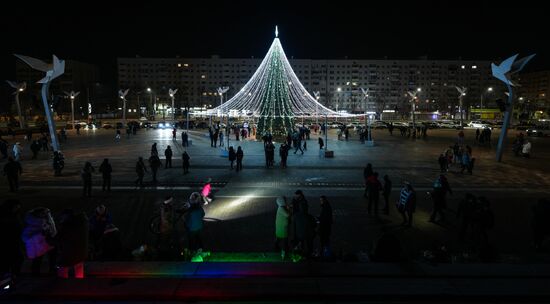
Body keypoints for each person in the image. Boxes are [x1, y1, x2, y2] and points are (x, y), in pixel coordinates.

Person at [21, 207, 57, 276]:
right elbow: (25, 237)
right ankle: (35, 275)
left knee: (52, 259)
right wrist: (40, 235)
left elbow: (52, 229)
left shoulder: (46, 220)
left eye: (45, 213)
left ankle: (51, 273)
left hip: (49, 243)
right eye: (43, 213)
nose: (44, 214)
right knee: (38, 260)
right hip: (39, 246)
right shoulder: (33, 222)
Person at [55, 209, 88, 279]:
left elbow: (57, 239)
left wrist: (47, 236)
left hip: (68, 253)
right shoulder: (81, 223)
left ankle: (63, 286)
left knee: (63, 269)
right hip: (81, 252)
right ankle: (79, 285)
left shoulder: (67, 226)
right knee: (79, 268)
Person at [0, 200, 24, 286]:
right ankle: (9, 278)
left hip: (14, 242)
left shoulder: (15, 215)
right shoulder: (7, 218)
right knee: (9, 261)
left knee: (16, 260)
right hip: (7, 242)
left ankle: (13, 277)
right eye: (16, 207)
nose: (18, 208)